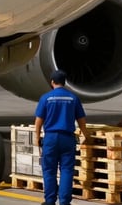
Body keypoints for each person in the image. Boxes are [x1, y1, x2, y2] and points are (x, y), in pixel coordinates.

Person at [34, 69, 88, 205]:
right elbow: (81, 119)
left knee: (49, 170)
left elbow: (39, 120)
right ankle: (64, 201)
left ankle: (50, 200)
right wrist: (85, 134)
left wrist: (37, 137)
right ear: (64, 83)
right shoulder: (73, 98)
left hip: (51, 138)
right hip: (67, 138)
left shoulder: (46, 98)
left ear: (52, 82)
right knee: (67, 170)